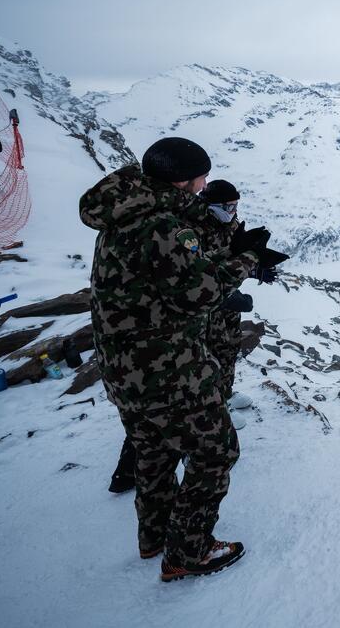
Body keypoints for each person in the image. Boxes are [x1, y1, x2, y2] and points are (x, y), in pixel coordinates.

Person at [80, 137, 270, 582]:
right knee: (216, 452)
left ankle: (154, 538)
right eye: (201, 176)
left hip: (125, 368)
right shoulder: (163, 227)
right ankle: (189, 551)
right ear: (184, 180)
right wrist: (245, 259)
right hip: (167, 368)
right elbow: (200, 294)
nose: (205, 184)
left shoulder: (126, 215)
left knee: (154, 454)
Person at [199, 179, 280, 427]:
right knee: (209, 353)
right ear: (213, 205)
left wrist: (256, 270)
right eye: (230, 206)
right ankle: (213, 408)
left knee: (229, 346)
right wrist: (232, 296)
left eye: (236, 206)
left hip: (227, 301)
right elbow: (203, 275)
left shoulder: (228, 222)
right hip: (207, 306)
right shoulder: (194, 229)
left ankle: (224, 394)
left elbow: (232, 257)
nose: (234, 211)